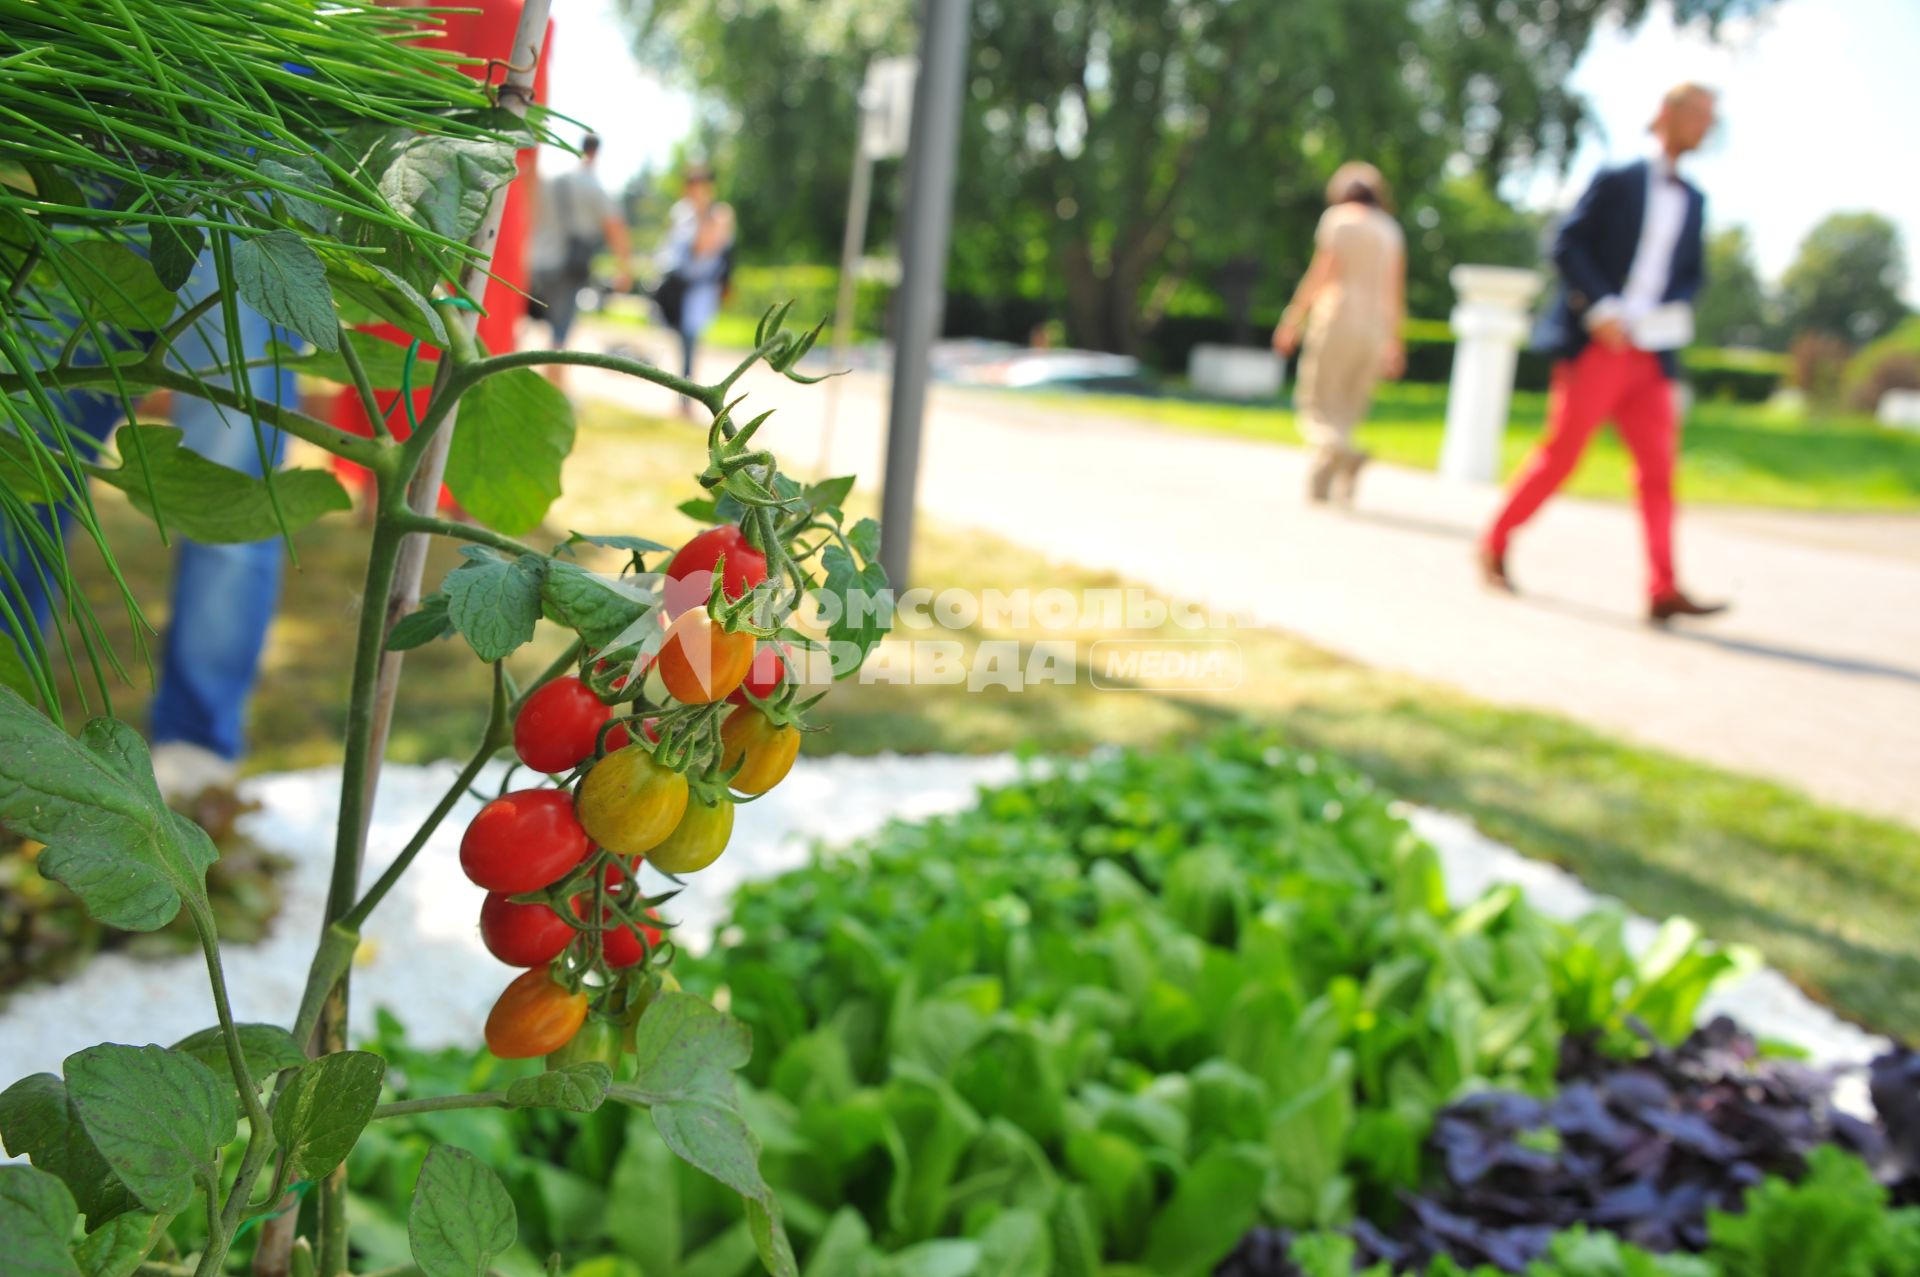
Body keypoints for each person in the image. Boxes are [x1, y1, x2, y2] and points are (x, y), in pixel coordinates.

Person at [1, 253, 296, 798]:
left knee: (230, 500)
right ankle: (6, 733)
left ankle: (196, 761)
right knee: (20, 467)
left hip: (242, 193)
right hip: (99, 187)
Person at [1478, 83, 1727, 624]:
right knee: (1563, 454)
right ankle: (1495, 541)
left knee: (1659, 471)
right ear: (1667, 113)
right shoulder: (1619, 180)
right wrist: (1603, 308)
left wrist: (1669, 313)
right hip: (1598, 343)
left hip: (1651, 355)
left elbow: (1690, 276)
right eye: (1699, 115)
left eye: (1712, 117)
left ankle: (1663, 587)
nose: (1706, 126)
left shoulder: (1695, 200)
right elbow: (1565, 244)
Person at [1274, 161, 1406, 504]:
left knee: (1318, 401)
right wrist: (1394, 341)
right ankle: (1340, 461)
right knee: (1349, 404)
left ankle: (1339, 453)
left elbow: (1321, 273)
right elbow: (1394, 291)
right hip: (1374, 329)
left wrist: (1293, 318)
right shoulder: (1390, 230)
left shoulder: (1339, 219)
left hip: (1337, 319)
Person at [530, 131, 632, 386]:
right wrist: (624, 269)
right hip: (568, 266)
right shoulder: (593, 185)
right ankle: (552, 387)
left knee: (534, 325)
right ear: (597, 152)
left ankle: (547, 382)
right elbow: (615, 227)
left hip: (538, 262)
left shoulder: (553, 179)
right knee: (560, 333)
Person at [654, 164, 735, 410]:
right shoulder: (681, 213)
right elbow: (672, 250)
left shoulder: (719, 214)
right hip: (677, 288)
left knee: (689, 344)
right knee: (681, 344)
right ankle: (683, 397)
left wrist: (703, 216)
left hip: (699, 292)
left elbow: (703, 248)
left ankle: (685, 401)